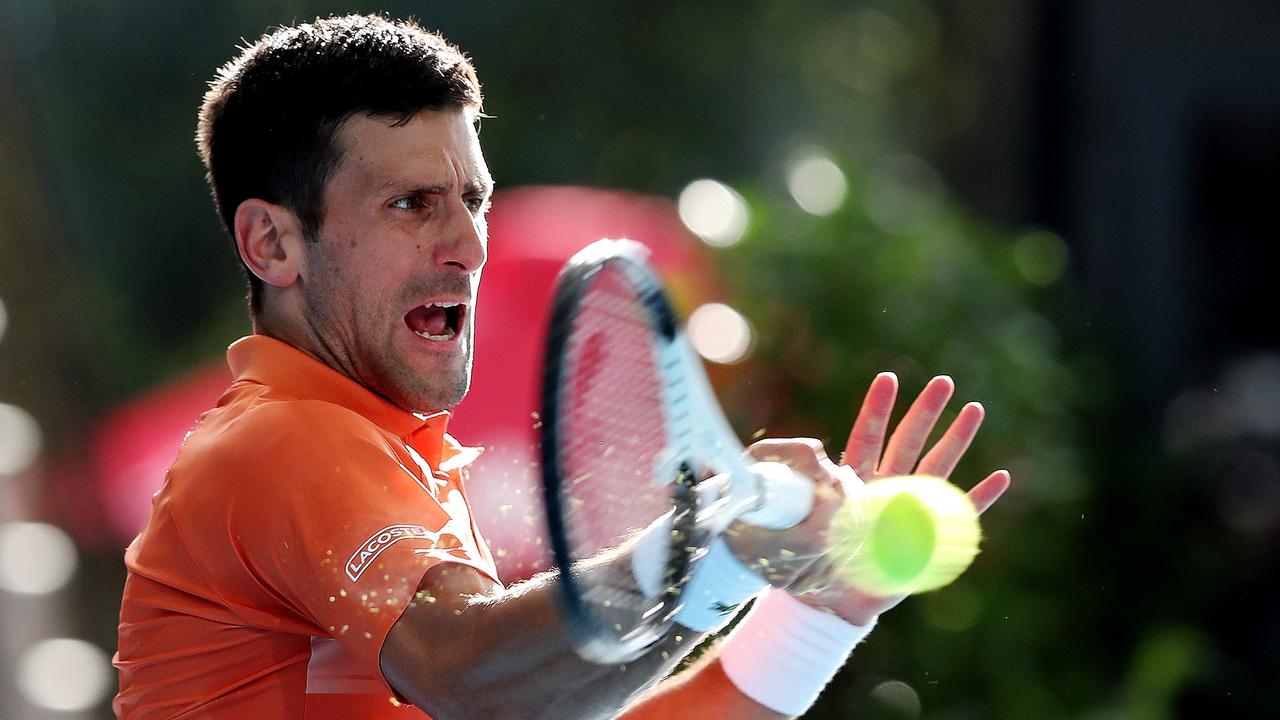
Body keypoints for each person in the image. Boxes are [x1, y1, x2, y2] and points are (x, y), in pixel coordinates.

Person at [113, 14, 1010, 720]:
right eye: (412, 204)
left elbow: (545, 702)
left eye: (474, 200)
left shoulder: (396, 469)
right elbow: (491, 693)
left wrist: (818, 615)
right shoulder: (281, 441)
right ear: (273, 243)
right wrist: (714, 545)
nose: (467, 243)